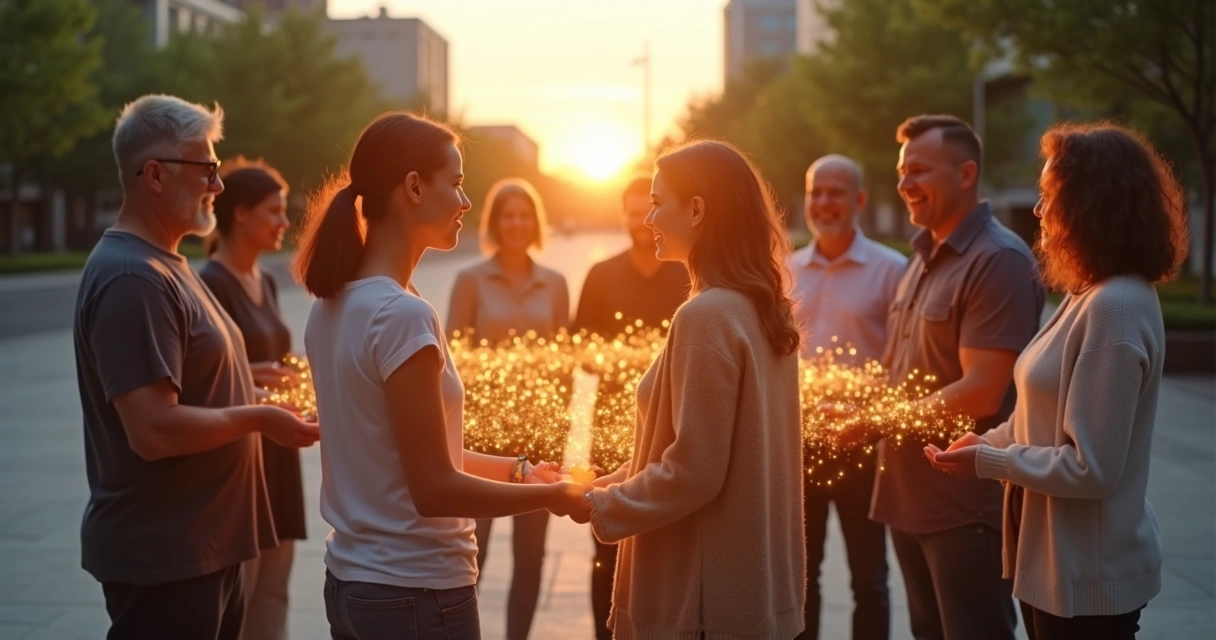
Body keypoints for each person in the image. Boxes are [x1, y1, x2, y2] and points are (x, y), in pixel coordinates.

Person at [293, 112, 587, 639]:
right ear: (412, 188)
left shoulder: (332, 305)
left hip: (354, 584)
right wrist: (552, 497)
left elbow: (418, 454)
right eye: (454, 183)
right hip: (416, 594)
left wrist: (519, 469)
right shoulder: (401, 314)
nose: (465, 202)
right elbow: (434, 488)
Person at [926, 122, 1187, 640]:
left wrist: (989, 461)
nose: (1039, 211)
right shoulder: (1088, 293)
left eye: (1049, 196)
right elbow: (1039, 420)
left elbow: (1091, 468)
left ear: (1092, 203)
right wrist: (987, 441)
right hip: (1053, 565)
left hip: (1087, 579)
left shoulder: (1115, 307)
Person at [73, 94, 319, 640]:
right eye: (206, 168)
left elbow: (184, 379)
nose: (218, 183)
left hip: (202, 547)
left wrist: (248, 380)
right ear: (155, 175)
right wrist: (259, 418)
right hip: (170, 555)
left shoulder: (167, 263)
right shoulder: (134, 277)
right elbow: (154, 430)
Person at [582, 140, 806, 639]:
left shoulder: (706, 316)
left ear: (698, 209)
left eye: (659, 203)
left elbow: (694, 470)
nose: (650, 218)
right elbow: (706, 448)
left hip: (701, 606)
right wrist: (604, 483)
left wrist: (602, 506)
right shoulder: (762, 307)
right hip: (747, 594)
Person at [869, 114, 1045, 640]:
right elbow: (902, 372)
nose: (904, 185)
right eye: (901, 172)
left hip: (964, 508)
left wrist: (876, 420)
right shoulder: (920, 259)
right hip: (907, 499)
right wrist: (857, 407)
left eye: (918, 170)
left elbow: (982, 390)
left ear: (966, 174)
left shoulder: (999, 261)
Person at [446, 177, 569, 640]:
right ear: (495, 222)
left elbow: (562, 367)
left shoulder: (556, 284)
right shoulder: (470, 280)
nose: (516, 224)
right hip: (482, 438)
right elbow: (453, 364)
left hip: (538, 436)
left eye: (524, 215)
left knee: (532, 553)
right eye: (507, 215)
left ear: (535, 222)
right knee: (472, 548)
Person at [791, 155, 906, 640]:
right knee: (800, 576)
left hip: (865, 447)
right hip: (801, 446)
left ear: (858, 200)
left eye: (834, 192)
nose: (823, 202)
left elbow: (904, 364)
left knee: (869, 579)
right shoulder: (787, 271)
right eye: (816, 192)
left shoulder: (892, 270)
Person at [572, 174, 690, 640]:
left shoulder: (686, 274)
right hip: (610, 429)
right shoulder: (601, 274)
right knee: (606, 544)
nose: (641, 219)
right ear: (621, 214)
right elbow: (581, 351)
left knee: (667, 544)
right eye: (632, 208)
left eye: (650, 207)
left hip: (673, 430)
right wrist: (630, 361)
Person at [199, 158, 305, 640]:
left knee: (274, 594)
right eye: (274, 211)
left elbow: (269, 355)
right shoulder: (210, 284)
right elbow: (202, 381)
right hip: (240, 461)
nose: (284, 222)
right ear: (239, 214)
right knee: (239, 601)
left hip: (278, 451)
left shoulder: (262, 279)